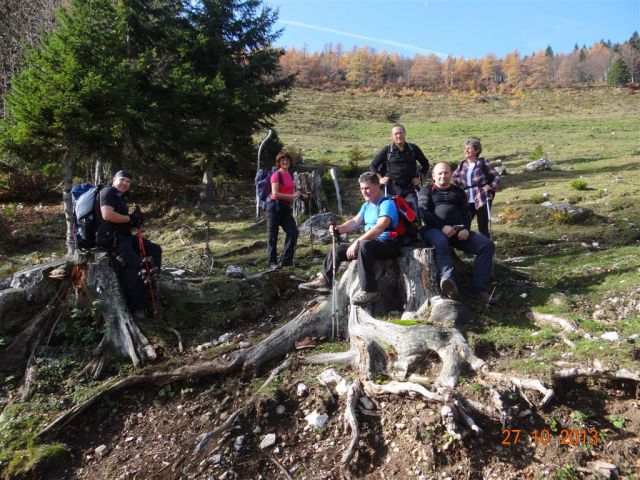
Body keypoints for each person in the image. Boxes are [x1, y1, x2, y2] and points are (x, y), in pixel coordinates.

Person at [299, 172, 402, 306]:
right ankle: (324, 280)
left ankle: (370, 290)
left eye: (367, 188)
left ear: (377, 186)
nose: (364, 192)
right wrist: (338, 229)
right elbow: (354, 222)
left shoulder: (386, 204)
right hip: (371, 243)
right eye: (362, 188)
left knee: (365, 245)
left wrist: (357, 241)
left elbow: (380, 227)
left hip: (388, 244)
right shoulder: (366, 206)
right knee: (339, 248)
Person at [418, 162, 495, 304]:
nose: (443, 176)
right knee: (441, 241)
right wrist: (442, 227)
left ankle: (478, 290)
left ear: (451, 174)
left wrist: (465, 228)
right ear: (433, 175)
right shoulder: (426, 190)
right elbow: (423, 211)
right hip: (432, 230)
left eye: (446, 172)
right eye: (439, 173)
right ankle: (448, 280)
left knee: (486, 245)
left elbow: (466, 212)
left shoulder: (458, 190)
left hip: (457, 230)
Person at [98, 170, 162, 319]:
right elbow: (107, 215)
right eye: (122, 180)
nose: (125, 183)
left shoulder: (119, 197)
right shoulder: (108, 192)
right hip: (112, 240)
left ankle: (152, 283)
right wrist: (130, 218)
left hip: (124, 237)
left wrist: (134, 220)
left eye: (128, 181)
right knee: (133, 266)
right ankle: (137, 308)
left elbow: (123, 220)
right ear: (114, 179)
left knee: (154, 249)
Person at [370, 123, 430, 213]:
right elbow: (373, 165)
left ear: (405, 134)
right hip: (391, 188)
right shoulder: (387, 150)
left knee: (415, 213)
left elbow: (425, 164)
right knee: (390, 213)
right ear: (392, 136)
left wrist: (419, 178)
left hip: (410, 188)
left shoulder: (413, 149)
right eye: (396, 134)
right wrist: (380, 179)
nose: (399, 136)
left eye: (401, 133)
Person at [452, 137, 501, 238]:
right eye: (465, 148)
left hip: (482, 196)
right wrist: (459, 182)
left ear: (477, 150)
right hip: (466, 197)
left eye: (469, 148)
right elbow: (454, 176)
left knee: (482, 226)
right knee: (464, 225)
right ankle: (468, 248)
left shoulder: (482, 162)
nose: (466, 150)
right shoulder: (462, 164)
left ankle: (486, 249)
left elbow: (496, 176)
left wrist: (491, 186)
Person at [266, 151, 307, 267]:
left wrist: (301, 195)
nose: (285, 162)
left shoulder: (289, 175)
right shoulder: (276, 175)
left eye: (287, 160)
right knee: (272, 235)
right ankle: (271, 262)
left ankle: (287, 260)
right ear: (279, 163)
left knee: (293, 231)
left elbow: (291, 191)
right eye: (282, 160)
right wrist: (292, 196)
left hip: (285, 208)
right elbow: (275, 193)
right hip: (274, 207)